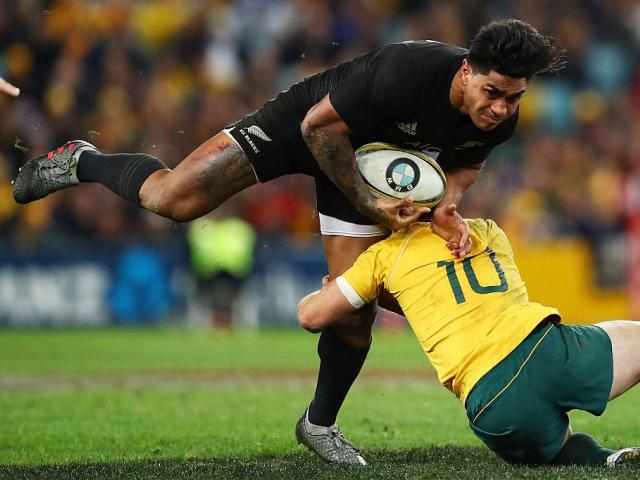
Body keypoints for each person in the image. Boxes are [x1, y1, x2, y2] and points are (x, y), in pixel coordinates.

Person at [12, 19, 564, 463]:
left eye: (512, 99)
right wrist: (372, 202)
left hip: (371, 173)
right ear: (467, 71)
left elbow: (461, 170)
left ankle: (318, 424)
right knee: (172, 200)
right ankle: (82, 159)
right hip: (309, 126)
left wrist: (445, 211)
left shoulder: (500, 121)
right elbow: (320, 129)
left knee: (355, 306)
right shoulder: (406, 73)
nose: (499, 109)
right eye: (492, 92)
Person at [296, 206, 640, 466]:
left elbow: (310, 317)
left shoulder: (382, 257)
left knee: (560, 449)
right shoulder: (486, 231)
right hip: (542, 352)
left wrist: (328, 292)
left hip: (490, 408)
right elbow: (476, 301)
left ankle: (607, 459)